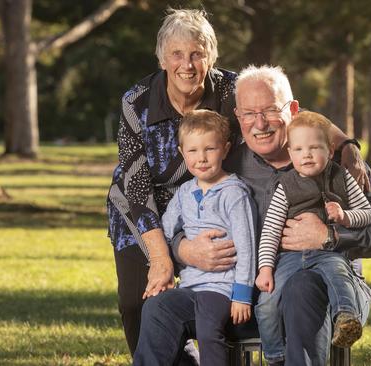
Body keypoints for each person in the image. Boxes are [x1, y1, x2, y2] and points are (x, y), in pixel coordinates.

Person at [138, 64, 371, 366]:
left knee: (301, 288)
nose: (259, 123)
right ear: (238, 116)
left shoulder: (336, 164)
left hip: (329, 292)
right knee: (161, 307)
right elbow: (183, 215)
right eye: (249, 113)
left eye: (269, 111)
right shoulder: (225, 163)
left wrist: (330, 237)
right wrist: (184, 249)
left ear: (292, 110)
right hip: (241, 299)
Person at [105, 8, 239, 359]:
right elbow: (136, 185)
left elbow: (280, 111)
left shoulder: (232, 91)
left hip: (209, 208)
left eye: (197, 53)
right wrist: (163, 257)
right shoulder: (137, 102)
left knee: (206, 302)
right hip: (142, 212)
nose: (187, 64)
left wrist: (341, 141)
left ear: (211, 56)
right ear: (162, 58)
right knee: (138, 303)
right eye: (177, 54)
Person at [133, 110, 257, 365]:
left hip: (221, 288)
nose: (201, 158)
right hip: (189, 287)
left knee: (208, 330)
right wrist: (164, 263)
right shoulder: (184, 193)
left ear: (225, 149)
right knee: (157, 307)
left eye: (209, 149)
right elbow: (165, 231)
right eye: (193, 151)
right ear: (182, 153)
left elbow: (247, 248)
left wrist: (242, 294)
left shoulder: (234, 193)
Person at [255, 111, 371, 365]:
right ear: (290, 153)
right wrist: (265, 268)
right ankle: (275, 354)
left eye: (314, 147)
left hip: (329, 253)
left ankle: (346, 320)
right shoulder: (285, 186)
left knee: (340, 278)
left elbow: (367, 213)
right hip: (290, 258)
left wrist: (344, 217)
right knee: (266, 303)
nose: (306, 154)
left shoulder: (342, 177)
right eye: (298, 149)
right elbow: (271, 231)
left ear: (330, 151)